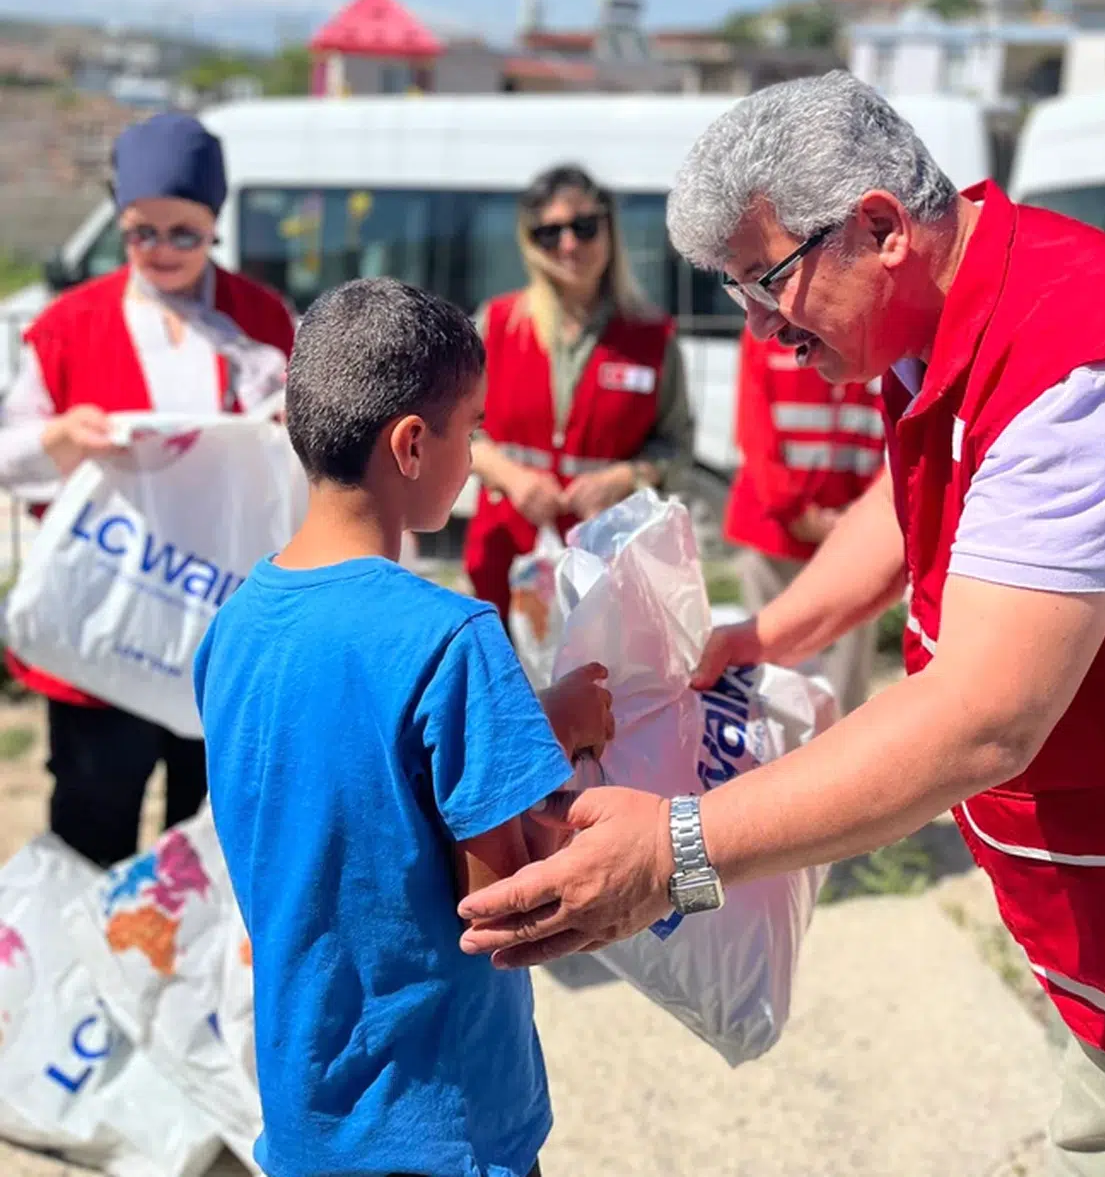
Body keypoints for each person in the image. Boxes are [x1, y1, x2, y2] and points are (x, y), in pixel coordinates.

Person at [458, 72, 1105, 1177]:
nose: (760, 334)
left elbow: (981, 720)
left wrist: (679, 851)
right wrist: (767, 635)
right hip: (1091, 852)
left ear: (880, 228)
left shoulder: (1083, 380)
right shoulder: (957, 304)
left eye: (764, 288)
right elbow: (913, 499)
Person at [194, 278, 613, 1177]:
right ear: (414, 444)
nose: (476, 454)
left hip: (308, 1110)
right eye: (474, 427)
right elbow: (505, 912)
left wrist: (521, 726)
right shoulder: (454, 638)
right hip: (445, 1123)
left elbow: (348, 788)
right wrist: (566, 745)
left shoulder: (232, 627)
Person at [0, 111, 294, 868]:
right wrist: (60, 438)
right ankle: (85, 984)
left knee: (207, 838)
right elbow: (9, 454)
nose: (161, 252)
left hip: (221, 630)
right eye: (141, 233)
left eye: (184, 234)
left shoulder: (262, 320)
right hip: (105, 629)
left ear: (215, 224)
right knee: (91, 826)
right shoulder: (67, 326)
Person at [465, 163, 693, 618]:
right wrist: (511, 477)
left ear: (610, 230)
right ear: (531, 242)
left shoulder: (652, 337)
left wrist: (623, 478)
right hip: (505, 557)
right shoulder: (497, 324)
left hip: (607, 562)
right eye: (550, 233)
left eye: (584, 228)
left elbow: (677, 446)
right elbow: (455, 432)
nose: (569, 245)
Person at [725, 323, 885, 715]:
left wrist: (861, 520)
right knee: (772, 684)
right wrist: (796, 512)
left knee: (845, 690)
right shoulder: (766, 331)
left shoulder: (879, 332)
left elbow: (897, 437)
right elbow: (754, 433)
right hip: (776, 537)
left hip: (858, 541)